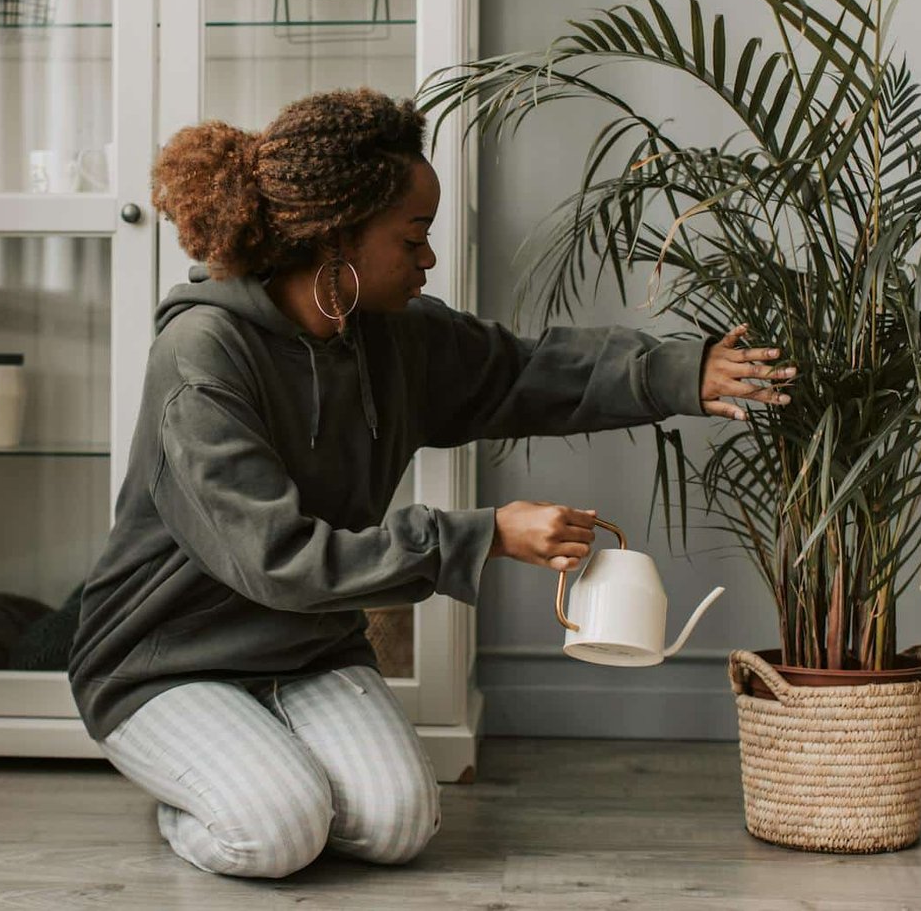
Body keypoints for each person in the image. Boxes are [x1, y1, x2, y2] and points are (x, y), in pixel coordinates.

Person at [67, 87, 795, 879]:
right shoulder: (202, 355)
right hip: (167, 659)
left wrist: (682, 372)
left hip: (309, 648)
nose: (429, 259)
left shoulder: (389, 336)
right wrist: (481, 534)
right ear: (338, 235)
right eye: (413, 237)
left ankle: (254, 766)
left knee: (399, 824)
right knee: (277, 832)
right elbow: (277, 559)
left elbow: (525, 369)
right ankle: (203, 795)